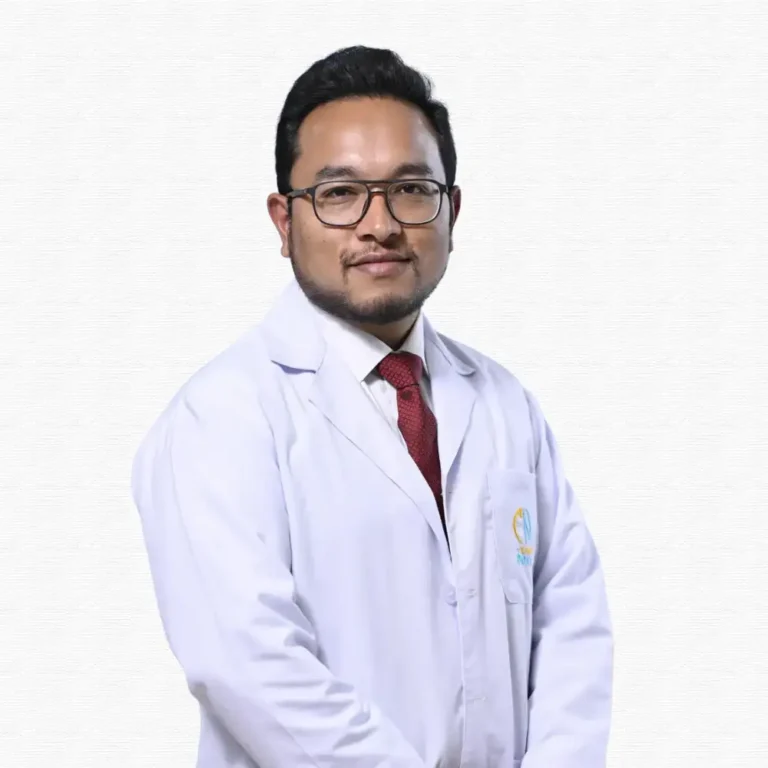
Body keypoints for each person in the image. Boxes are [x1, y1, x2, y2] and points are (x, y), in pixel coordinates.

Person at [131, 45, 613, 768]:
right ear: (283, 219)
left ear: (452, 210)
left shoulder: (507, 405)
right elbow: (248, 665)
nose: (379, 223)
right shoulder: (220, 418)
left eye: (412, 190)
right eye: (339, 193)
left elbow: (570, 619)